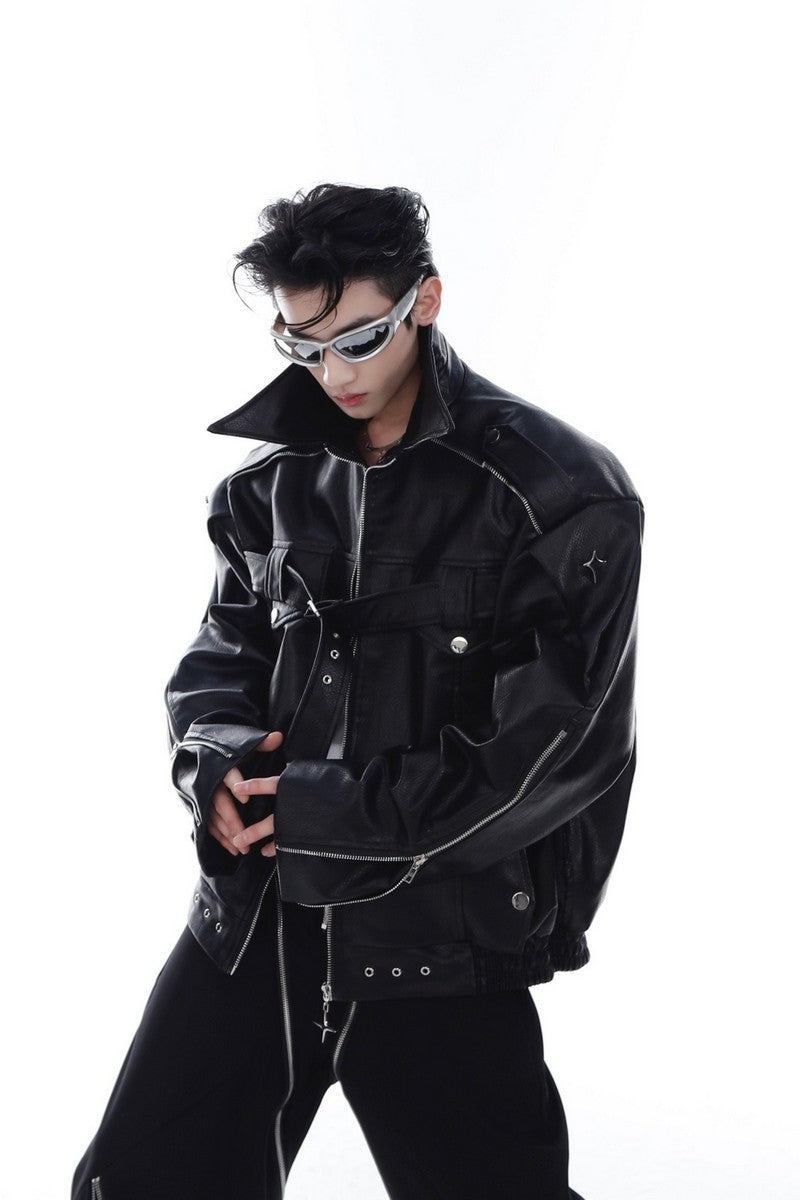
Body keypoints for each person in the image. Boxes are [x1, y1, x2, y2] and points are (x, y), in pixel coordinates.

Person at [72, 183, 644, 1200]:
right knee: (137, 1181)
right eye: (300, 345)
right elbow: (224, 650)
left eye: (358, 339)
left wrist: (319, 813)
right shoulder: (267, 483)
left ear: (426, 300)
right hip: (258, 916)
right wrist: (212, 762)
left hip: (439, 935)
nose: (331, 373)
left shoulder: (558, 494)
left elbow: (553, 751)